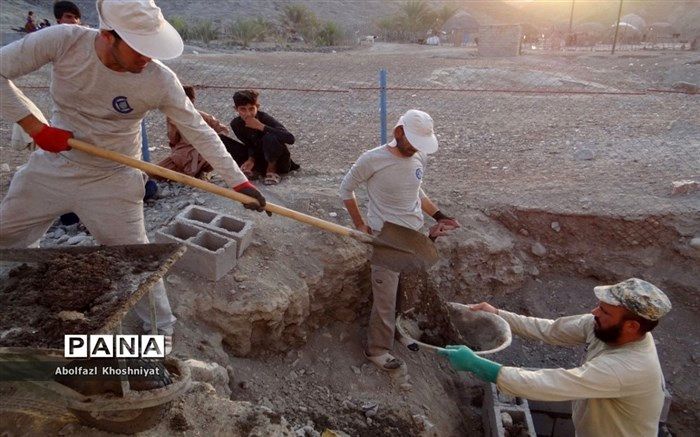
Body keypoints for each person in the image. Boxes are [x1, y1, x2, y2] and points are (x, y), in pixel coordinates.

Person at [0, 0, 267, 338]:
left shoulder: (158, 80)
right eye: (140, 49)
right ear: (109, 35)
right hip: (53, 167)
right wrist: (34, 126)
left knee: (136, 258)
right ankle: (26, 298)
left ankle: (160, 333)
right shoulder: (64, 41)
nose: (147, 58)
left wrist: (239, 184)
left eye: (152, 49)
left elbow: (199, 130)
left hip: (113, 178)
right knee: (8, 235)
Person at [439, 278, 671, 437]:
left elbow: (552, 383)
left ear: (631, 325)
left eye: (604, 311)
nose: (594, 312)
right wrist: (499, 316)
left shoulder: (628, 369)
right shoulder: (608, 328)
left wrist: (481, 367)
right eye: (599, 306)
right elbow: (551, 330)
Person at [339, 109, 460, 371]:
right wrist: (360, 224)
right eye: (413, 142)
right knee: (385, 297)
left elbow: (417, 192)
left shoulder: (417, 158)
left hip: (414, 236)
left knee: (406, 292)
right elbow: (345, 189)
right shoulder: (373, 159)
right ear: (398, 132)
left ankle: (399, 332)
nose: (417, 149)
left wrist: (440, 216)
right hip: (387, 238)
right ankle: (377, 349)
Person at [225, 89, 299, 186]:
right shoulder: (236, 124)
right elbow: (249, 144)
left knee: (269, 137)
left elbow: (290, 138)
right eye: (243, 109)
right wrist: (251, 159)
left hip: (279, 163)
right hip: (259, 159)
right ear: (236, 109)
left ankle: (272, 171)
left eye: (251, 109)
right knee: (221, 140)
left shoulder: (264, 118)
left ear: (257, 107)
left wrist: (261, 126)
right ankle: (251, 170)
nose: (248, 113)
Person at [158, 85, 230, 178]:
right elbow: (173, 140)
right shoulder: (172, 117)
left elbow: (223, 130)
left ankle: (198, 172)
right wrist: (174, 127)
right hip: (181, 155)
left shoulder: (201, 116)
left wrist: (211, 143)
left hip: (201, 154)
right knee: (155, 172)